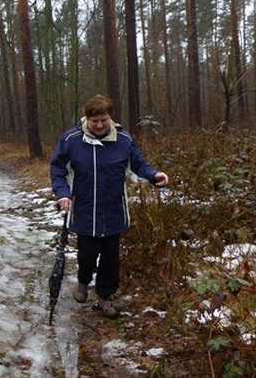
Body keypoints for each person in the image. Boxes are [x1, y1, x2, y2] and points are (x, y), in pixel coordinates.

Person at [50, 95, 168, 318]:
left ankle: (105, 296)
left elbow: (138, 165)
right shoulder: (71, 140)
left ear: (110, 117)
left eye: (103, 120)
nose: (99, 125)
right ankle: (84, 281)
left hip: (114, 210)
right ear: (87, 118)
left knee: (110, 258)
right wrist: (63, 194)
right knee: (86, 254)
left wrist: (154, 176)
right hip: (84, 210)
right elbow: (58, 169)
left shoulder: (123, 140)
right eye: (94, 121)